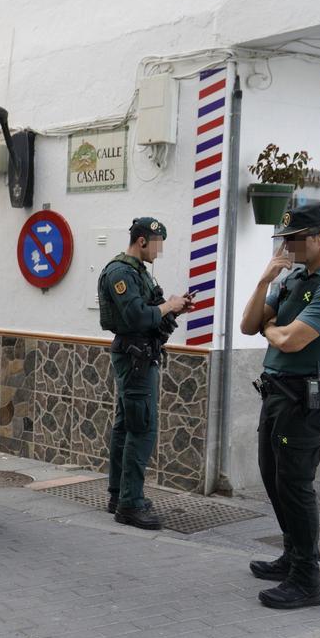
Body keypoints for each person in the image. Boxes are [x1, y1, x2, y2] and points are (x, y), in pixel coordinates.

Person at [239, 202, 320, 610]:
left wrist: (271, 327)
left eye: (294, 239)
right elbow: (247, 325)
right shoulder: (293, 279)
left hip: (304, 399)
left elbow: (291, 339)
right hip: (277, 393)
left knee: (295, 486)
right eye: (284, 239)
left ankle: (308, 579)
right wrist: (263, 282)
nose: (287, 246)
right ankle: (292, 556)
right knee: (273, 478)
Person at [97, 217, 192, 530]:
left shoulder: (136, 271)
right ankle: (130, 504)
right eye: (157, 244)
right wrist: (169, 306)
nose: (159, 251)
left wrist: (173, 307)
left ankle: (120, 495)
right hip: (135, 356)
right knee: (142, 428)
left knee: (127, 426)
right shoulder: (121, 272)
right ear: (142, 241)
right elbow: (138, 315)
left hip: (139, 352)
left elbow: (149, 311)